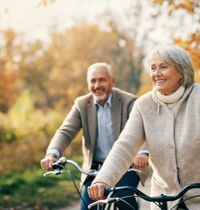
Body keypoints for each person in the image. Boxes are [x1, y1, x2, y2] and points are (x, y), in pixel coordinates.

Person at [87, 45, 200, 210]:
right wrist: (103, 180)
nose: (156, 73)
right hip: (164, 200)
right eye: (153, 68)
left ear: (181, 71)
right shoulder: (143, 105)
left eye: (163, 67)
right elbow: (125, 146)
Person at [40, 62, 149, 210]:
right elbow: (65, 131)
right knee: (87, 205)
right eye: (93, 80)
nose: (97, 85)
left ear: (112, 81)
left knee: (124, 200)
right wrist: (52, 153)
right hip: (94, 168)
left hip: (126, 166)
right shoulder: (81, 104)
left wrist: (142, 153)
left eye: (102, 80)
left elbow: (140, 130)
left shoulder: (129, 102)